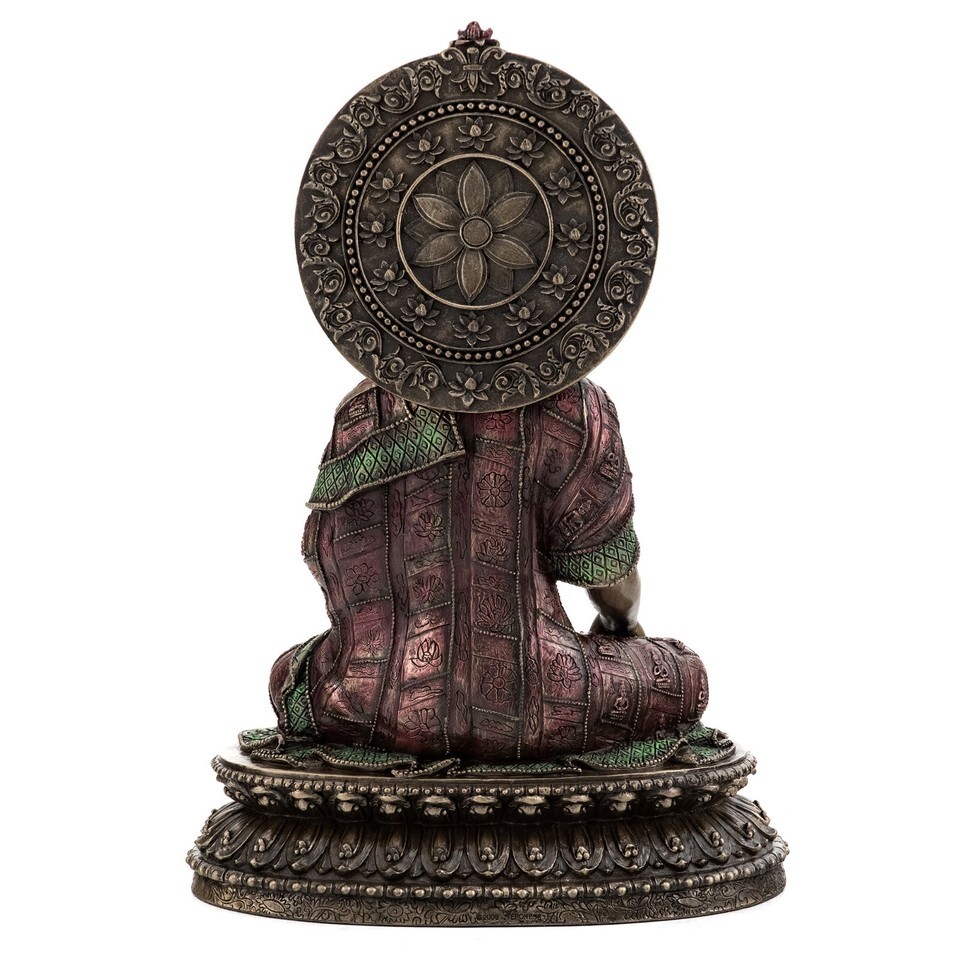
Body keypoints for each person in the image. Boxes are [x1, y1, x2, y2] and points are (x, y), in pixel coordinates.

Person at [269, 377, 708, 761]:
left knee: (287, 676)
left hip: (367, 705)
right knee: (686, 673)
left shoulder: (366, 405)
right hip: (545, 697)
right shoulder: (571, 402)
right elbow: (609, 577)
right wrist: (622, 630)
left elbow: (327, 556)